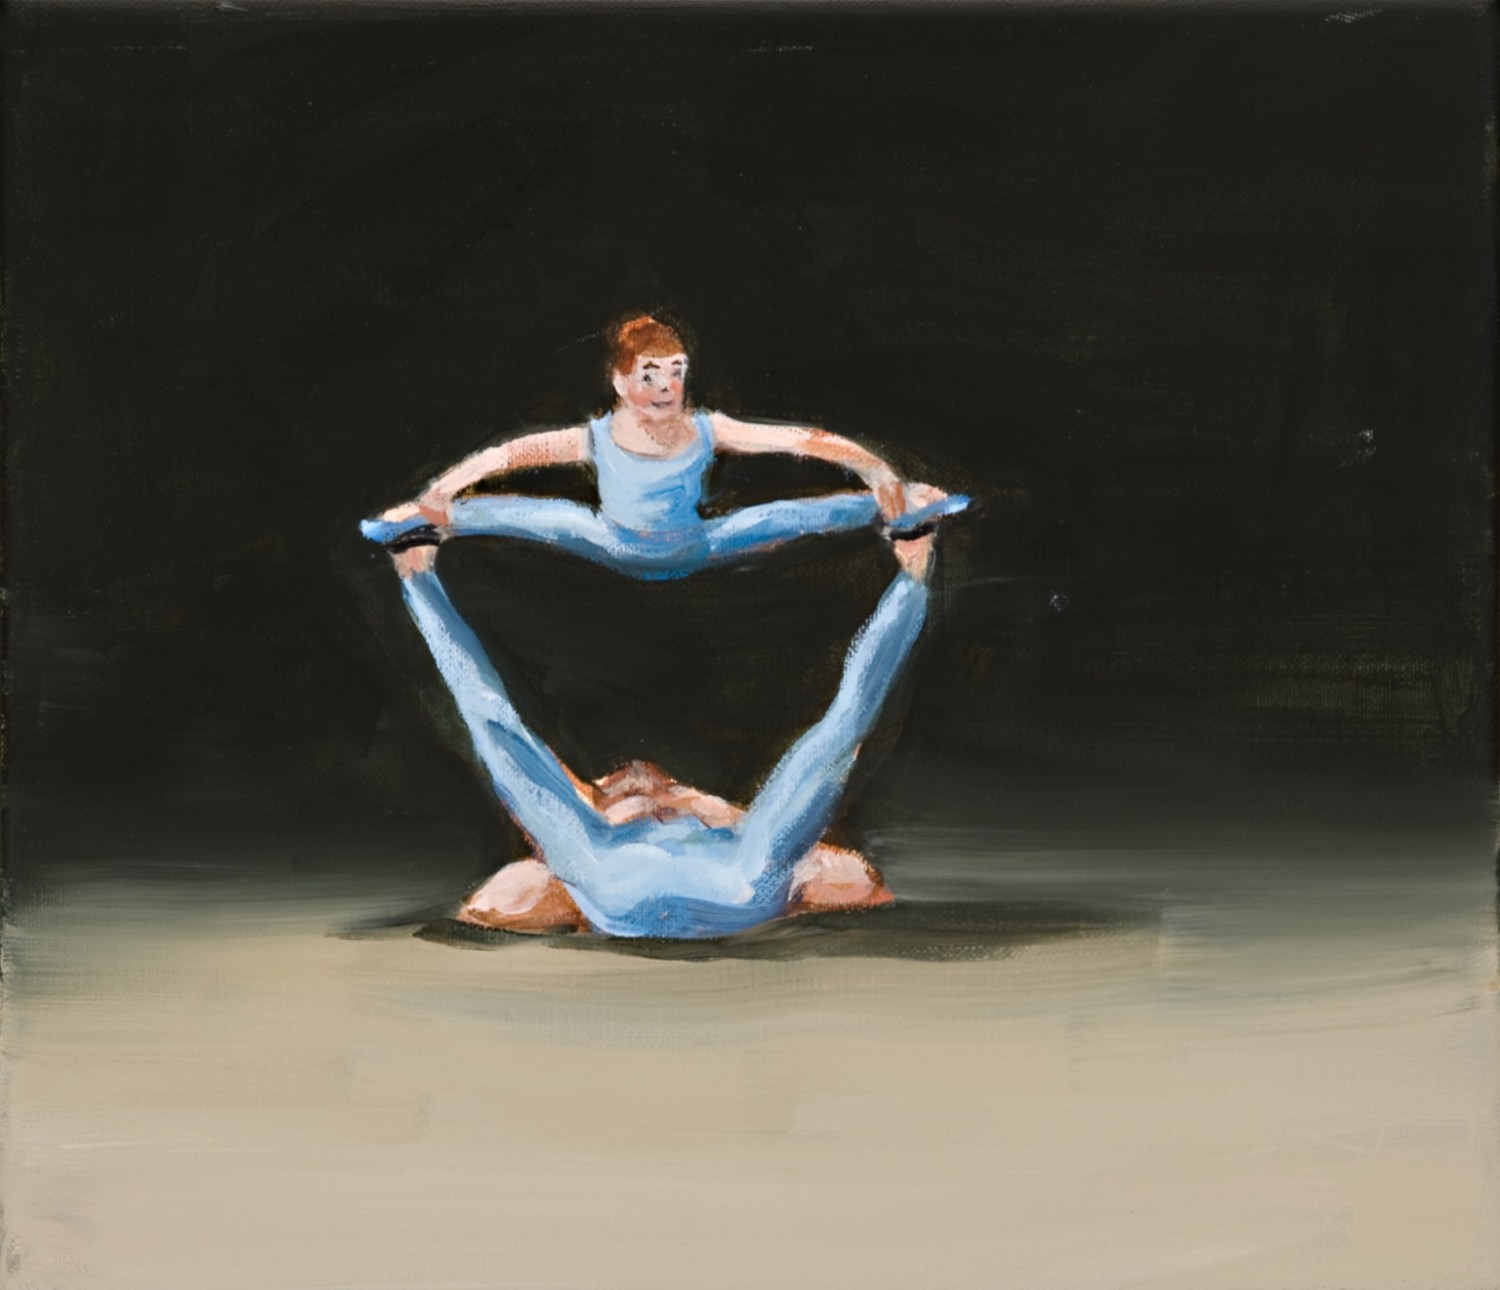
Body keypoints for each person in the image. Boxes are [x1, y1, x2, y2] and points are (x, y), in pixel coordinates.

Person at [385, 499, 946, 939]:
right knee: (836, 737)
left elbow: (502, 888)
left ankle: (415, 573)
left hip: (642, 886)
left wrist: (661, 808)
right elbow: (854, 879)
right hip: (719, 887)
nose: (642, 777)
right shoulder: (693, 823)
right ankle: (914, 570)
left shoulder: (615, 822)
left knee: (498, 732)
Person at [361, 315, 969, 578]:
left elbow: (802, 439)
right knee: (510, 512)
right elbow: (507, 457)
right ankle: (419, 520)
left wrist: (876, 470)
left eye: (675, 372)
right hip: (609, 538)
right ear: (621, 382)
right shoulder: (595, 437)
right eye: (650, 375)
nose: (665, 388)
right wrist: (441, 489)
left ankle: (907, 503)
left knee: (796, 515)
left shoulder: (707, 429)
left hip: (694, 544)